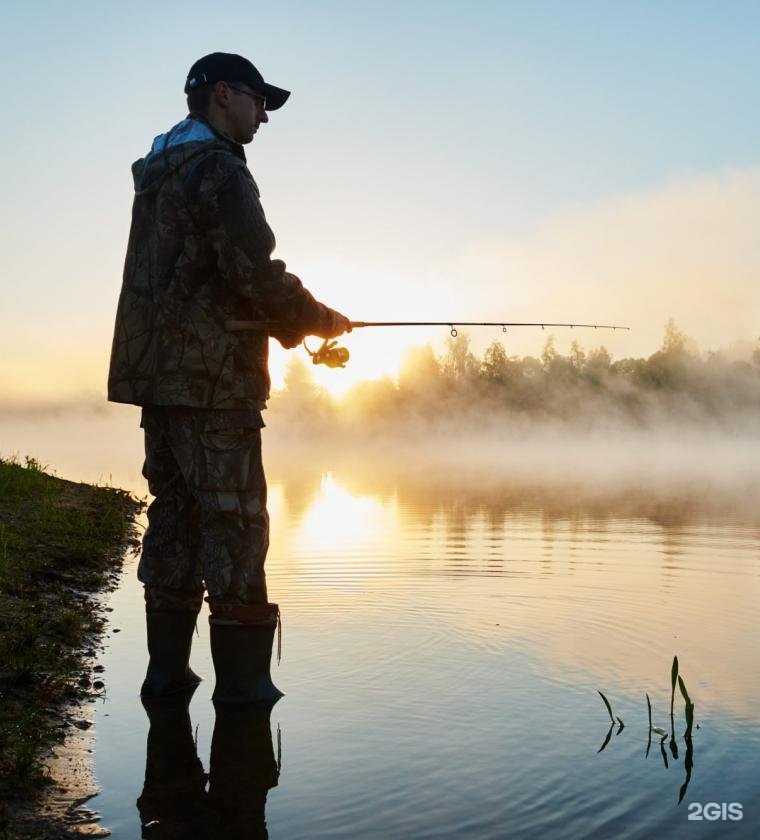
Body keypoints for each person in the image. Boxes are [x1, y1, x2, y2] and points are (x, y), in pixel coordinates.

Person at [108, 52, 351, 704]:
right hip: (214, 383)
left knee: (177, 518)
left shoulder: (160, 173)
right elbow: (253, 274)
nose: (265, 115)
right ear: (223, 95)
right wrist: (320, 319)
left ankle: (167, 677)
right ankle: (244, 696)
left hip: (160, 380)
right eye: (258, 100)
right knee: (237, 525)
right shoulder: (218, 170)